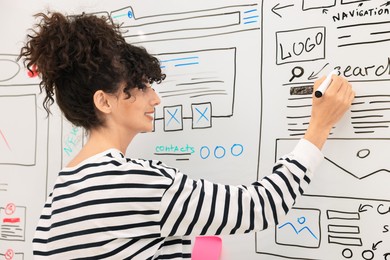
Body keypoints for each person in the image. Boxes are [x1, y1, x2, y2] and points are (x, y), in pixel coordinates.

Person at [19, 12, 355, 260]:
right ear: (104, 101)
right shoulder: (132, 181)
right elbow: (259, 207)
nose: (155, 99)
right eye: (139, 88)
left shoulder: (62, 192)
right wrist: (319, 126)